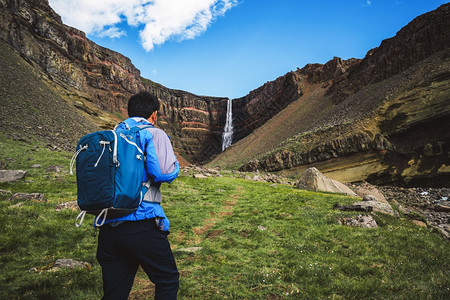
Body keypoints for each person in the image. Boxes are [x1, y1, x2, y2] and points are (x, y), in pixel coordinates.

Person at [96, 91, 180, 299]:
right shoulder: (154, 133)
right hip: (141, 224)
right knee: (167, 279)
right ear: (154, 114)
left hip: (108, 226)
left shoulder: (113, 135)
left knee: (115, 292)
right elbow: (163, 173)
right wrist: (176, 163)